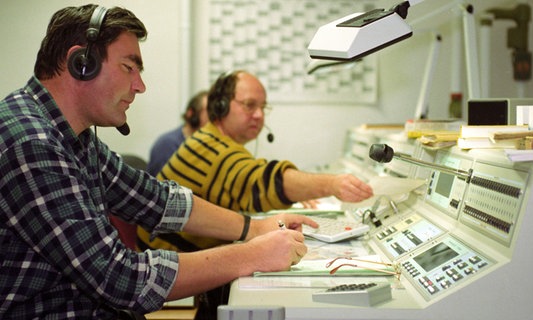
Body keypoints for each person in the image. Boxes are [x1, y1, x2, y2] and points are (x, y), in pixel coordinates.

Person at [0, 5, 316, 319]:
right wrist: (252, 255)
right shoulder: (31, 141)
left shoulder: (73, 137)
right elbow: (118, 278)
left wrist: (254, 229)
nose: (140, 85)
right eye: (129, 67)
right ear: (82, 63)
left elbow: (156, 200)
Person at [136, 70, 374, 317]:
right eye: (249, 105)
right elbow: (261, 181)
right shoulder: (215, 149)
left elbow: (252, 179)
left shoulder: (210, 139)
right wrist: (332, 184)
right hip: (169, 278)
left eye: (263, 107)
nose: (259, 115)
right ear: (220, 106)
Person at [147, 90, 209, 176]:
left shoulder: (207, 144)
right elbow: (164, 184)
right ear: (191, 114)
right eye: (208, 111)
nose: (213, 117)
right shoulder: (167, 144)